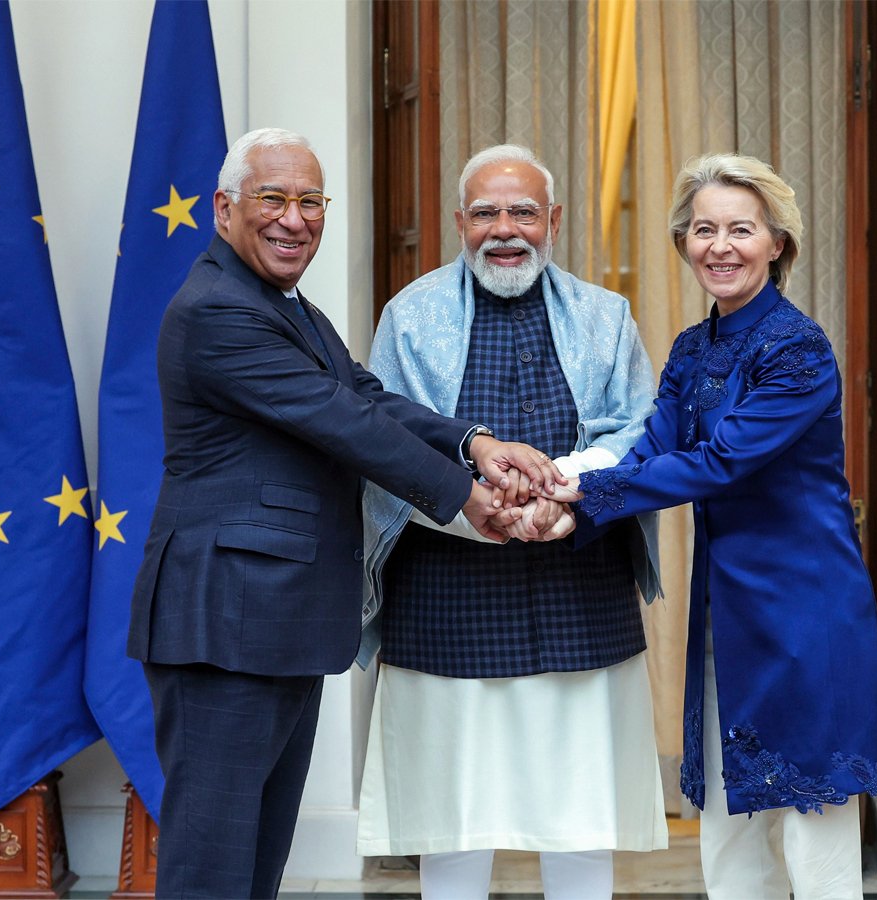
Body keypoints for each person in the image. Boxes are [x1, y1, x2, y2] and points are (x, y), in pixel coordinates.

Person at [127, 128, 562, 900]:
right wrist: (469, 499)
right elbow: (340, 420)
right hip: (224, 624)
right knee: (211, 870)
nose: (294, 219)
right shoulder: (218, 310)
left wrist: (476, 443)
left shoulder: (283, 304)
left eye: (309, 201)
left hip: (274, 623)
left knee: (253, 866)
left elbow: (363, 394)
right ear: (224, 208)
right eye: (272, 198)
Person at [564, 154, 877, 900]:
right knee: (728, 830)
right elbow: (656, 450)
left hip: (807, 618)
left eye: (741, 229)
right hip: (727, 618)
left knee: (816, 846)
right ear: (684, 242)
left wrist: (582, 494)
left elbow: (717, 463)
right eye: (703, 229)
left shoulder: (797, 349)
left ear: (777, 243)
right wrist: (567, 485)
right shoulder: (692, 346)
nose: (721, 246)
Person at [353, 144, 667, 900]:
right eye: (487, 212)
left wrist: (565, 494)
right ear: (460, 222)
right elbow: (384, 440)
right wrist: (477, 511)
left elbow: (639, 429)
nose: (505, 229)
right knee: (450, 817)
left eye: (522, 211)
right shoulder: (410, 315)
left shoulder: (606, 315)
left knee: (581, 813)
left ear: (552, 219)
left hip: (580, 590)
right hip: (445, 598)